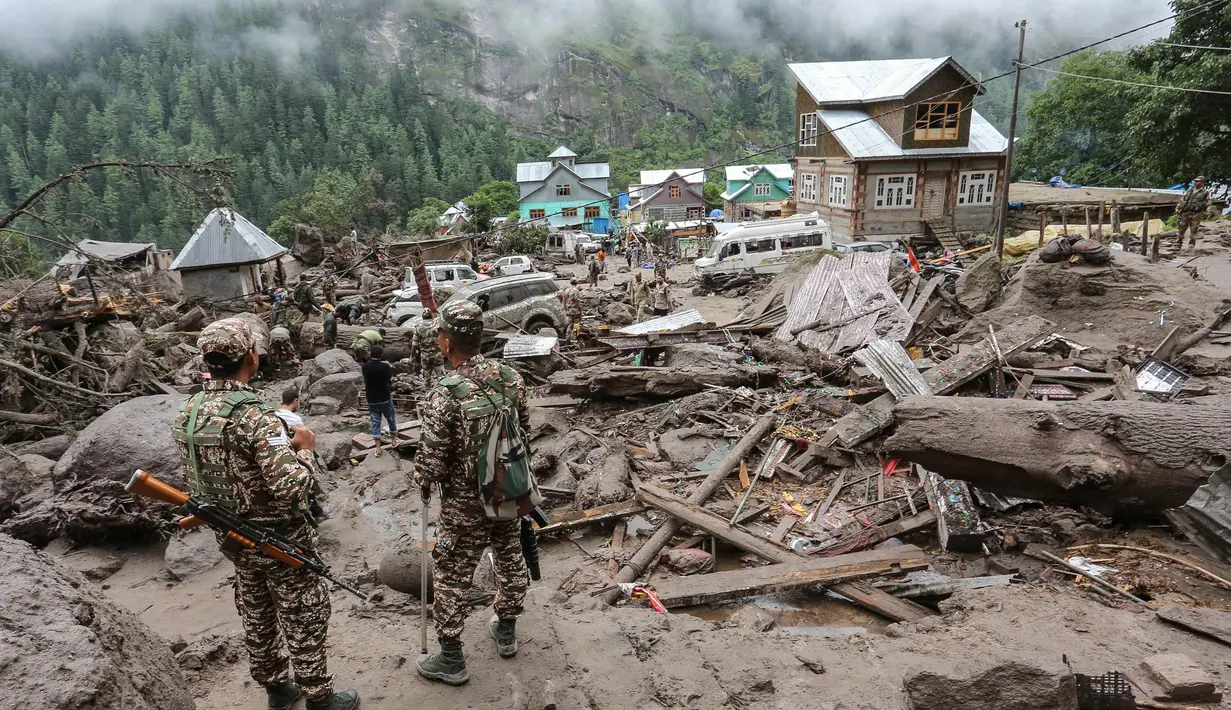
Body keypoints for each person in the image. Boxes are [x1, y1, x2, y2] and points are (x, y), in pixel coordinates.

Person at [171, 318, 359, 710]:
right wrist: (305, 449)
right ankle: (320, 698)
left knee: (256, 609)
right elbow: (291, 488)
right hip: (279, 538)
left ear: (206, 359)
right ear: (251, 359)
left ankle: (277, 690)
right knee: (303, 611)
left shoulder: (188, 411)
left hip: (231, 536)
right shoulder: (254, 414)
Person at [413, 300, 530, 686]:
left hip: (465, 505)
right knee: (510, 556)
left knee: (452, 573)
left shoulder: (445, 392)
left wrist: (423, 480)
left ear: (445, 342)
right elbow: (523, 433)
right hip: (508, 489)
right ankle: (507, 629)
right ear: (479, 336)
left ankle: (450, 658)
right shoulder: (512, 378)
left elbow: (430, 462)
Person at [361, 344, 396, 457]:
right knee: (391, 418)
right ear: (381, 354)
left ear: (370, 354)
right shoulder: (385, 367)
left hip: (371, 399)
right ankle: (394, 441)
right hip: (384, 397)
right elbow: (389, 380)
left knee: (375, 422)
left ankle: (378, 448)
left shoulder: (365, 367)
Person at [1176, 175, 1210, 252]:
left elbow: (1208, 202)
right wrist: (1178, 207)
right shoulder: (1189, 190)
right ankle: (1178, 243)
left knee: (1194, 229)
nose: (1196, 183)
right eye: (1195, 181)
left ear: (1202, 182)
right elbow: (1182, 199)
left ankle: (1191, 245)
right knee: (1181, 227)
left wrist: (1207, 212)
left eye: (1198, 181)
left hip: (1196, 213)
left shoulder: (1205, 192)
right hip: (1186, 212)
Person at [413, 308, 446, 380]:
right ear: (431, 315)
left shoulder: (418, 327)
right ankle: (441, 388)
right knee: (441, 375)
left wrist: (412, 356)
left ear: (422, 316)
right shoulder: (437, 325)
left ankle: (427, 389)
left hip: (425, 355)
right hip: (437, 354)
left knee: (426, 375)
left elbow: (414, 344)